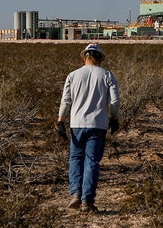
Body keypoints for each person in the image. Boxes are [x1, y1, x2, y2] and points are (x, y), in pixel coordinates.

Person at [57, 43, 121, 213]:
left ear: (84, 56)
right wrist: (114, 118)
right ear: (100, 58)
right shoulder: (107, 75)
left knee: (75, 159)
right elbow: (114, 101)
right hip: (98, 125)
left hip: (77, 124)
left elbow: (66, 101)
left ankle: (75, 195)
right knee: (92, 161)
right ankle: (87, 200)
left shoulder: (73, 75)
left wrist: (60, 121)